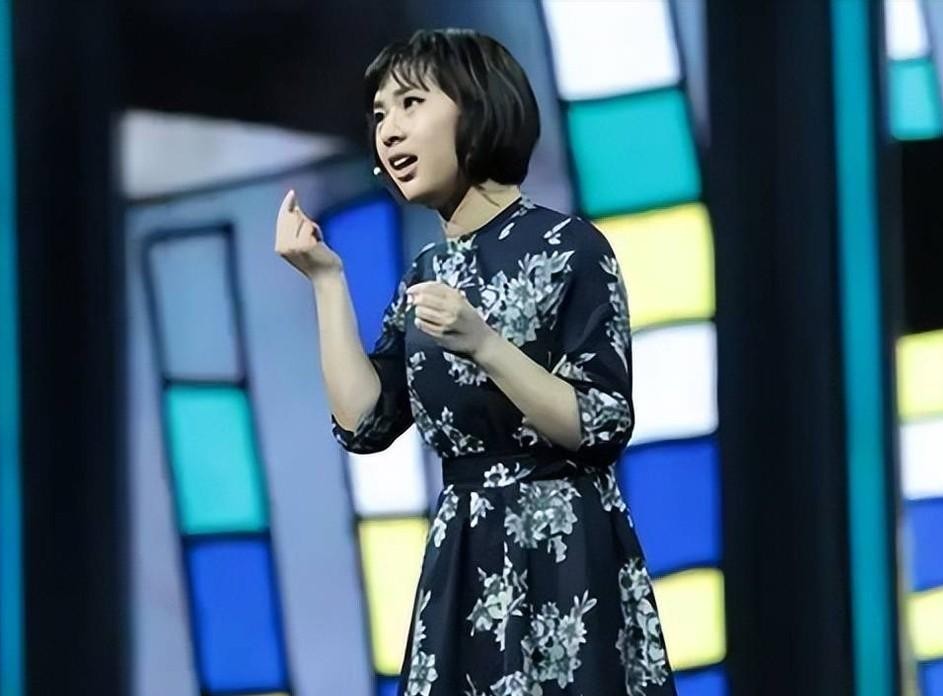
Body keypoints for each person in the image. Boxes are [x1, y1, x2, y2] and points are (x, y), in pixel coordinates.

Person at [274, 27, 678, 696]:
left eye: (411, 105)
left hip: (563, 556)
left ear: (479, 109)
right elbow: (365, 422)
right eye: (380, 115)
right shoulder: (425, 271)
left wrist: (485, 345)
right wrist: (325, 280)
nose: (389, 131)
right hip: (465, 554)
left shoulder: (570, 248)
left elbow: (601, 422)